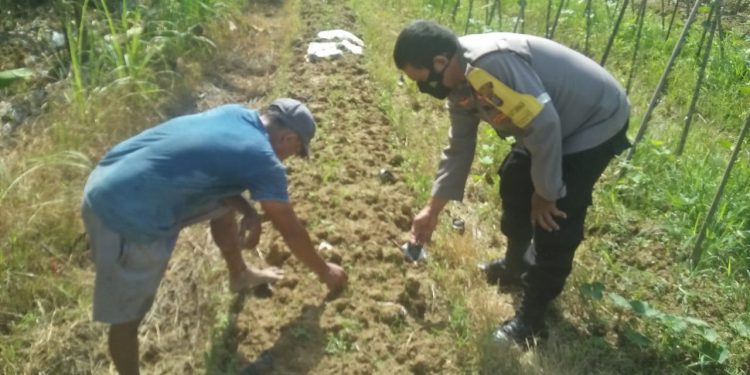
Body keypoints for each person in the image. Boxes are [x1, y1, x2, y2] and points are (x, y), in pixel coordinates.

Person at [393, 20, 631, 345]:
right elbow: (459, 147)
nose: (428, 91)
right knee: (516, 181)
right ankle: (515, 265)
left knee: (555, 215)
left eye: (425, 82)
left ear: (439, 62)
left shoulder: (490, 66)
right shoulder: (458, 82)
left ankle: (531, 321)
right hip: (543, 120)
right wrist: (432, 210)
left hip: (592, 118)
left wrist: (547, 193)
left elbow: (545, 126)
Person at [81, 98, 348, 374]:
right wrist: (325, 270)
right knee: (128, 314)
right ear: (288, 137)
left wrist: (249, 212)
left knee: (222, 206)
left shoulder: (236, 115)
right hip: (123, 209)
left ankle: (239, 274)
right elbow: (290, 229)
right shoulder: (265, 161)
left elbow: (216, 176)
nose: (291, 157)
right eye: (296, 151)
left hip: (110, 174)